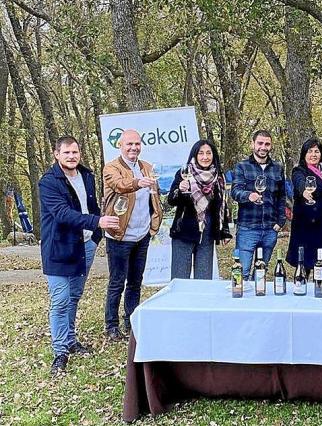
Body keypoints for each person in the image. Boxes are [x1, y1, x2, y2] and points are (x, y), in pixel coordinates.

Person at [39, 136, 120, 375]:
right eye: (66, 153)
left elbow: (91, 206)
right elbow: (63, 213)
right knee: (60, 299)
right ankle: (59, 351)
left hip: (85, 245)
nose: (72, 156)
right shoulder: (48, 182)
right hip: (58, 248)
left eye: (75, 152)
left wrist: (95, 235)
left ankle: (71, 341)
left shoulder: (87, 175)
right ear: (56, 154)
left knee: (74, 296)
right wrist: (99, 222)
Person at [102, 129, 163, 341]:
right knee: (117, 282)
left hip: (142, 235)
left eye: (137, 144)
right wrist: (139, 182)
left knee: (136, 282)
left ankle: (131, 320)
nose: (133, 148)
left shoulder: (147, 167)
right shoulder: (111, 168)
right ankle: (111, 325)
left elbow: (154, 196)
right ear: (120, 145)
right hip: (119, 236)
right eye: (129, 144)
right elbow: (120, 185)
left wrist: (155, 222)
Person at [167, 140, 232, 279]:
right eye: (201, 153)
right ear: (195, 155)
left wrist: (225, 231)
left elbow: (222, 206)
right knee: (180, 280)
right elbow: (171, 200)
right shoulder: (184, 172)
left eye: (209, 153)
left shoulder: (218, 176)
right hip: (184, 231)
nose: (205, 157)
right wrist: (180, 189)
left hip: (207, 234)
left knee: (204, 281)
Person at [231, 130, 287, 279]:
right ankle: (240, 301)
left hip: (270, 229)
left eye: (267, 144)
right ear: (252, 144)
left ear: (271, 146)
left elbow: (282, 197)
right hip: (247, 228)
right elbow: (235, 192)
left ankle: (258, 300)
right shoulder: (241, 166)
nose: (263, 147)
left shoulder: (278, 168)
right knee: (241, 274)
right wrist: (249, 195)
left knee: (261, 273)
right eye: (260, 143)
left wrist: (281, 221)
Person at [286, 138, 322, 273]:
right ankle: (301, 289)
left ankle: (320, 291)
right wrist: (304, 190)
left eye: (317, 151)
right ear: (304, 154)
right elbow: (299, 182)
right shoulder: (299, 170)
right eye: (310, 151)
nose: (313, 154)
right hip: (307, 226)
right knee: (305, 263)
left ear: (321, 154)